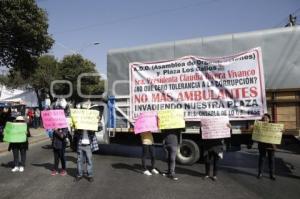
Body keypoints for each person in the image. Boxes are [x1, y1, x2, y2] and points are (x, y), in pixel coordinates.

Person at [256, 113, 277, 180]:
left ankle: (272, 174)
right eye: (264, 118)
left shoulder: (273, 126)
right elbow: (255, 133)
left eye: (266, 118)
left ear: (269, 119)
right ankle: (260, 173)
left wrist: (281, 131)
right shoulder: (259, 126)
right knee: (262, 159)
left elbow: (278, 133)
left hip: (271, 145)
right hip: (262, 145)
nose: (265, 119)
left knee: (271, 160)